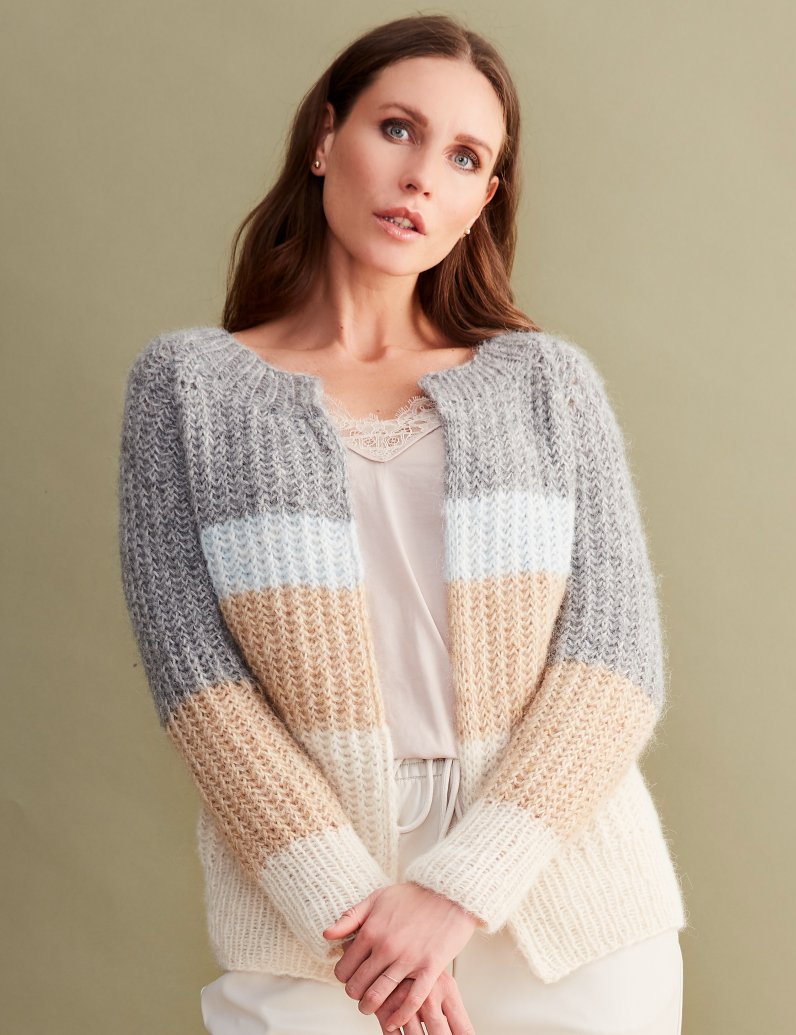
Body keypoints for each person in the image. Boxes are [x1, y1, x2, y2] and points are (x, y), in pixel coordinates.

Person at [117, 12, 688, 1035]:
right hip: (314, 910)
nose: (421, 176)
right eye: (397, 129)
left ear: (481, 201)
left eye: (463, 157)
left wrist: (455, 890)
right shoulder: (188, 390)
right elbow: (199, 688)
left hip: (558, 893)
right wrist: (359, 917)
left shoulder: (545, 384)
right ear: (323, 138)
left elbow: (614, 662)